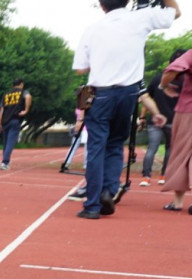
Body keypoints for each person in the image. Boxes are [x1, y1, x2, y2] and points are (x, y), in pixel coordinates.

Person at [71, 0, 180, 220]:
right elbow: (174, 13)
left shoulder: (92, 29)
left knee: (96, 147)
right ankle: (109, 191)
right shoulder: (141, 18)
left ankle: (92, 205)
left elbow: (80, 69)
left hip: (99, 93)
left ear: (102, 6)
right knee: (115, 144)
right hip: (129, 93)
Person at [141, 48, 185, 186]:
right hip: (174, 120)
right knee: (169, 149)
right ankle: (163, 175)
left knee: (151, 148)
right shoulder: (184, 81)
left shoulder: (157, 78)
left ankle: (146, 177)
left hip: (155, 119)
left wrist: (142, 117)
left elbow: (147, 97)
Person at [159, 47, 192, 213]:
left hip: (188, 110)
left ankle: (178, 202)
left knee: (181, 153)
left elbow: (172, 69)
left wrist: (164, 85)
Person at [0, 78, 32, 170]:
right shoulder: (23, 92)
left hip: (5, 121)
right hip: (15, 119)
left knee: (5, 143)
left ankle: (4, 160)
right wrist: (26, 110)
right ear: (21, 84)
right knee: (10, 142)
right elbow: (28, 97)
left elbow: (1, 110)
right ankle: (5, 162)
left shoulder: (6, 95)